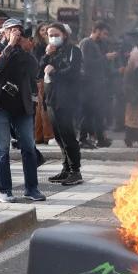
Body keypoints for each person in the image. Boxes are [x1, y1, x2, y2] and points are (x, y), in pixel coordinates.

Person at [0, 21, 43, 203]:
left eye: (20, 31)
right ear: (5, 32)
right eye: (14, 31)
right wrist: (9, 46)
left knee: (29, 148)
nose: (17, 34)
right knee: (2, 149)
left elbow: (34, 71)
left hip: (22, 105)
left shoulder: (23, 50)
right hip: (0, 104)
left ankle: (32, 189)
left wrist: (25, 49)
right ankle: (5, 191)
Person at [41, 23, 84, 186]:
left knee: (68, 136)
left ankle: (75, 170)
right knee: (59, 137)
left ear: (64, 34)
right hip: (51, 98)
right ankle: (66, 168)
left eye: (55, 34)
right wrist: (46, 56)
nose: (52, 38)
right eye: (49, 35)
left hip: (66, 99)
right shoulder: (51, 51)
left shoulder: (73, 50)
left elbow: (73, 72)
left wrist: (55, 72)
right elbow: (40, 70)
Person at [78, 22, 116, 148]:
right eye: (104, 33)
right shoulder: (87, 43)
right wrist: (105, 57)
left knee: (99, 112)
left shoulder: (98, 44)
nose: (105, 36)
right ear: (97, 31)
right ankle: (82, 139)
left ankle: (100, 138)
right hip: (88, 85)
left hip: (98, 84)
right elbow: (87, 63)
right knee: (88, 112)